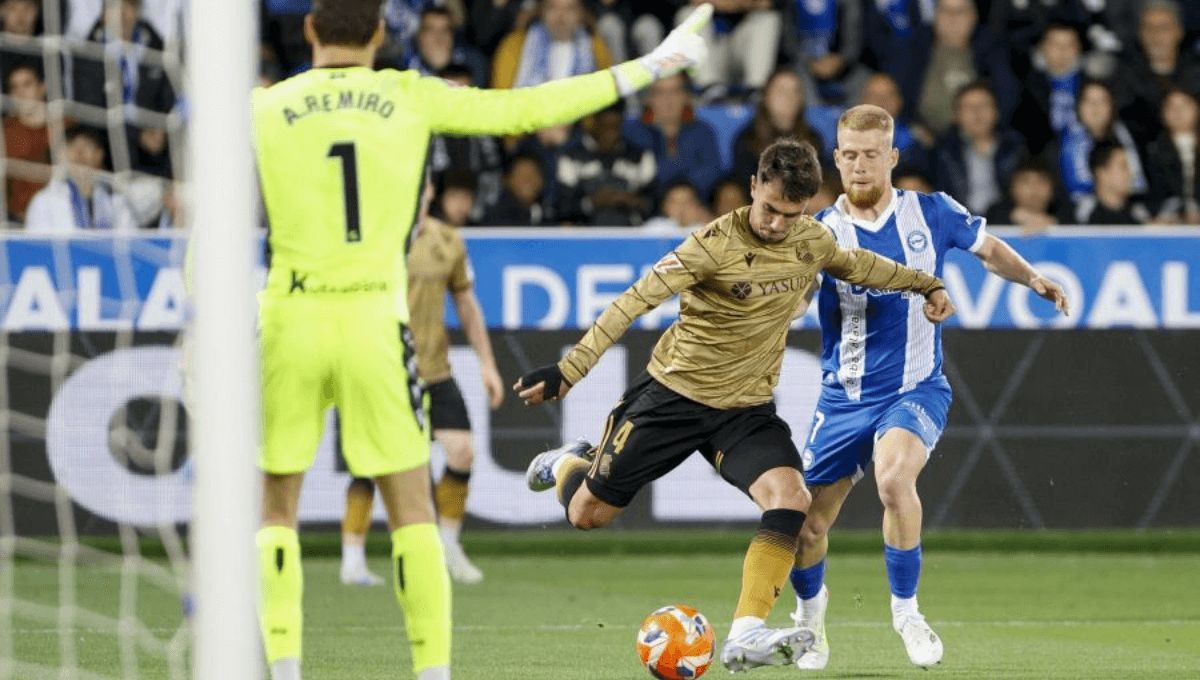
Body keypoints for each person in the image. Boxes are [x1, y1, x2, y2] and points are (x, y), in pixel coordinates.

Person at [250, 1, 713, 678]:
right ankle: (433, 673)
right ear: (381, 35)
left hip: (287, 319)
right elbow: (527, 108)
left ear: (310, 31)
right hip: (374, 322)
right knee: (410, 506)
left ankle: (284, 668)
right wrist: (652, 65)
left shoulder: (265, 107)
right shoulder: (408, 95)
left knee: (275, 505)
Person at [514, 138, 955, 673]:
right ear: (753, 188)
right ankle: (566, 462)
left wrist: (925, 282)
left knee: (792, 498)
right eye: (769, 209)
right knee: (587, 515)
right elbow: (631, 301)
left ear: (808, 208)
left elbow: (859, 264)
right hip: (672, 398)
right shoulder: (709, 245)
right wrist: (569, 371)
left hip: (744, 410)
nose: (775, 224)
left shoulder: (811, 240)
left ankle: (746, 631)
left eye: (790, 214)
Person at [784, 104, 1069, 671]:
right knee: (806, 523)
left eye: (871, 155)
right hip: (843, 397)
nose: (860, 166)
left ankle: (907, 612)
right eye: (849, 156)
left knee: (894, 479)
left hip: (915, 387)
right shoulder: (817, 233)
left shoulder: (931, 212)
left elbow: (989, 249)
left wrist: (1033, 276)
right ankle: (811, 622)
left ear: (891, 157)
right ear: (836, 159)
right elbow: (795, 294)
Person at [339, 178, 506, 586]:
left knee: (461, 451)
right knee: (369, 463)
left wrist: (487, 363)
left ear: (430, 192)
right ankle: (352, 558)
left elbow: (466, 303)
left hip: (434, 371)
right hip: (382, 370)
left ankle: (448, 543)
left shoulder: (447, 240)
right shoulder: (369, 238)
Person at [25, 126, 137, 232]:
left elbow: (130, 240)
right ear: (59, 156)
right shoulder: (44, 200)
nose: (78, 153)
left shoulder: (116, 200)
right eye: (71, 146)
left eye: (87, 146)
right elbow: (37, 247)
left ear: (99, 154)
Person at [491, 0, 613, 89]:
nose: (561, 17)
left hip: (579, 120)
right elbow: (502, 95)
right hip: (526, 118)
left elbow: (609, 93)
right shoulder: (514, 44)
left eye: (570, 9)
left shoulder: (594, 45)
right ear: (541, 11)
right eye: (553, 8)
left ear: (581, 14)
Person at [3, 62, 51, 223]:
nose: (20, 93)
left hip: (59, 220)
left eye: (27, 84)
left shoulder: (67, 126)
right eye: (14, 87)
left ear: (42, 88)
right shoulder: (4, 132)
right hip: (15, 223)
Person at [1075, 141, 1151, 226]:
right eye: (1123, 167)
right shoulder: (1081, 216)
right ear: (1102, 174)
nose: (1130, 174)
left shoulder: (1140, 214)